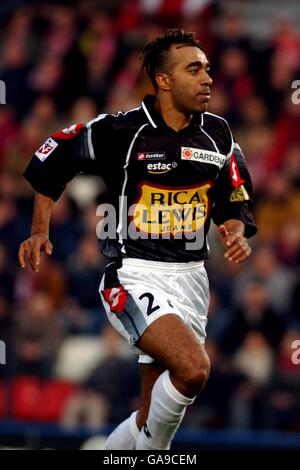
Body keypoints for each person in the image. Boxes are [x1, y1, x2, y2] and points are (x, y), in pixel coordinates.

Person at [18, 29, 257, 450]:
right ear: (164, 80)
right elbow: (53, 154)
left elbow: (235, 200)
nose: (208, 79)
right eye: (194, 69)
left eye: (208, 69)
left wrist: (235, 231)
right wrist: (40, 230)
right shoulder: (121, 131)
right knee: (193, 369)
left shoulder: (219, 135)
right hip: (134, 276)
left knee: (152, 416)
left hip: (192, 281)